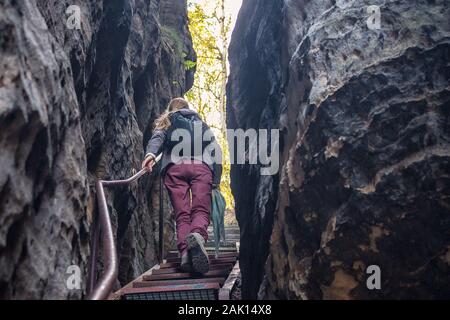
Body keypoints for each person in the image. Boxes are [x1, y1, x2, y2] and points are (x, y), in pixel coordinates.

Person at [141, 98, 222, 274]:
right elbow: (215, 150)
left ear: (170, 109)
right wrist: (217, 177)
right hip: (201, 167)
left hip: (174, 168)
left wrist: (150, 155)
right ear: (188, 109)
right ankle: (198, 236)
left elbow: (158, 137)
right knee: (200, 210)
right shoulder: (200, 124)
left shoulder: (167, 120)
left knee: (182, 214)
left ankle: (185, 253)